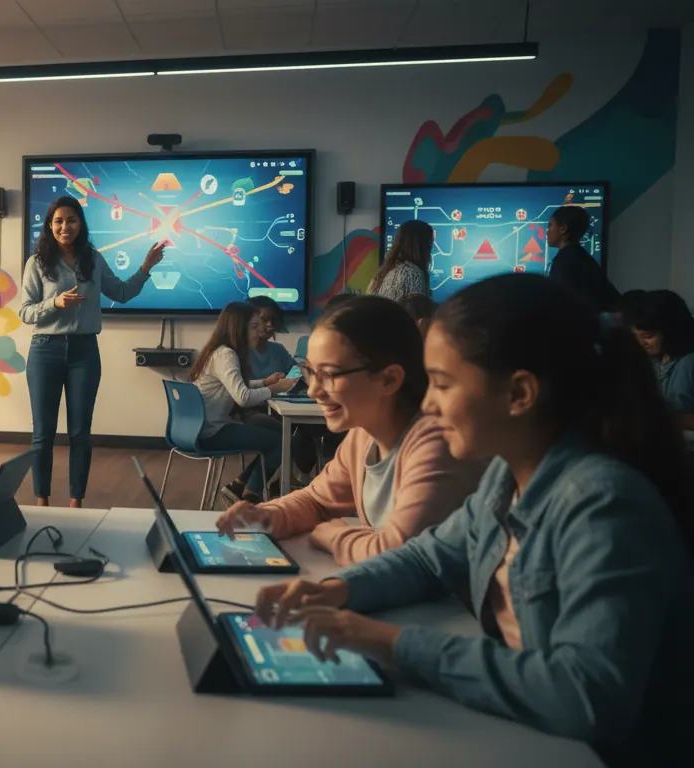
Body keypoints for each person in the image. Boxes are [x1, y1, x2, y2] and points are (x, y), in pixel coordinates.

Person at [254, 274, 693, 765]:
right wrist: (338, 590)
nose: (427, 403)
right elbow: (427, 557)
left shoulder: (604, 504)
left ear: (519, 393)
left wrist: (384, 641)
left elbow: (583, 696)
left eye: (442, 383)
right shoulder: (507, 477)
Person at [216, 296, 484, 565]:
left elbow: (401, 553)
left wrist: (333, 535)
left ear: (389, 379)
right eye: (310, 371)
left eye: (329, 374)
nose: (313, 390)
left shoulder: (436, 443)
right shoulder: (364, 436)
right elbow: (316, 500)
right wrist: (266, 516)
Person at [20, 195, 167, 507]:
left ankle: (76, 501)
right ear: (49, 225)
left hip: (84, 352)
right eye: (58, 221)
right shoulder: (37, 263)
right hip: (45, 350)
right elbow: (25, 312)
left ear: (80, 224)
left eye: (71, 220)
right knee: (42, 433)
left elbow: (123, 293)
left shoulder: (93, 258)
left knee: (80, 432)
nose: (65, 226)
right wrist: (54, 303)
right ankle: (41, 501)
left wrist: (145, 267)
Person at [189, 302, 295, 499]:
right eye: (254, 327)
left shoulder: (218, 351)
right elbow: (243, 397)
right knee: (282, 442)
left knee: (276, 436)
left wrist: (264, 382)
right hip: (213, 432)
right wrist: (273, 389)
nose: (260, 331)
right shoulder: (227, 355)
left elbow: (235, 386)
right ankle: (249, 496)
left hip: (200, 428)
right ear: (238, 328)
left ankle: (239, 486)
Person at [626, 289, 694, 428]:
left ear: (671, 331)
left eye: (647, 336)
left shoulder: (688, 363)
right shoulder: (655, 360)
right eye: (636, 336)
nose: (641, 343)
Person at [547, 205, 620, 314]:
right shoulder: (582, 258)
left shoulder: (564, 262)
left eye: (551, 225)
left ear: (563, 229)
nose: (547, 231)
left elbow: (560, 304)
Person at [367, 220, 432, 300]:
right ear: (421, 245)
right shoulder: (412, 274)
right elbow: (417, 311)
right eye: (430, 242)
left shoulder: (384, 271)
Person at [247, 295, 296, 378]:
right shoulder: (236, 351)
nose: (270, 324)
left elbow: (296, 371)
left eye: (273, 320)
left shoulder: (278, 349)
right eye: (264, 319)